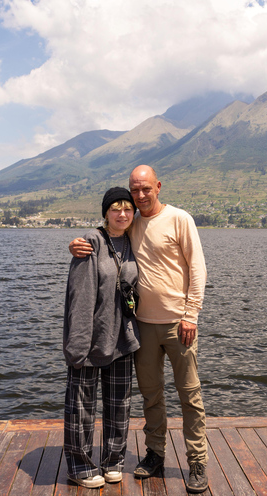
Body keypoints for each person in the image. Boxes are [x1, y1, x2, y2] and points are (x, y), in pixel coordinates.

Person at [69, 166, 209, 493]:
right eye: (135, 190)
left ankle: (197, 461)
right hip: (142, 327)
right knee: (151, 396)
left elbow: (198, 268)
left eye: (146, 188)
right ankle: (155, 453)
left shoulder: (179, 219)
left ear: (158, 186)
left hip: (179, 325)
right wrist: (76, 244)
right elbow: (106, 238)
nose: (141, 195)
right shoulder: (130, 222)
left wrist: (191, 314)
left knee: (190, 395)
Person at [63, 187, 141, 489]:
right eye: (115, 209)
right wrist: (77, 346)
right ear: (105, 213)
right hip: (91, 339)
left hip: (122, 338)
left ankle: (113, 461)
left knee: (120, 404)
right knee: (81, 407)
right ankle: (79, 465)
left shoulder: (135, 240)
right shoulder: (91, 243)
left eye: (127, 209)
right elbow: (79, 298)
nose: (122, 214)